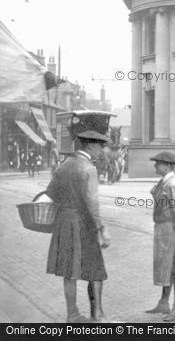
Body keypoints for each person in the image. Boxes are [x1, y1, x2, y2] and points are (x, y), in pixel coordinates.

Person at [45, 130, 111, 323]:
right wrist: (102, 228)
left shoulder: (64, 166)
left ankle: (72, 314)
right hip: (83, 225)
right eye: (100, 146)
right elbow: (92, 203)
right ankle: (98, 315)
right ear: (89, 146)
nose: (102, 150)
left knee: (68, 271)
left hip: (63, 224)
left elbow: (51, 194)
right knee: (96, 269)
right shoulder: (88, 168)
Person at [145, 151, 175, 322]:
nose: (155, 166)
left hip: (170, 229)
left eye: (158, 163)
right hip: (162, 228)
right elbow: (164, 204)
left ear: (168, 166)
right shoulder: (164, 183)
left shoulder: (173, 184)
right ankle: (163, 303)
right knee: (165, 265)